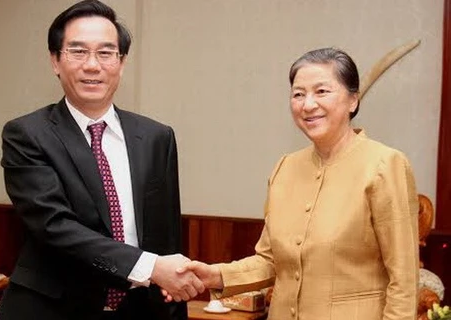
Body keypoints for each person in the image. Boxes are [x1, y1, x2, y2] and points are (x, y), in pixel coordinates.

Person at [172, 48, 419, 320]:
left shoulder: (384, 164)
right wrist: (215, 275)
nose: (308, 104)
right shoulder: (285, 168)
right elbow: (269, 262)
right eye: (298, 94)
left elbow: (404, 280)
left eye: (321, 91)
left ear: (353, 100)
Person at [0, 1, 203, 319]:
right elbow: (54, 226)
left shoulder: (157, 137)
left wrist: (172, 298)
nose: (93, 65)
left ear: (121, 62)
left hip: (140, 310)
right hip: (53, 310)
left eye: (106, 53)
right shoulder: (26, 134)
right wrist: (150, 266)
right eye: (78, 52)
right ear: (55, 60)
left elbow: (167, 237)